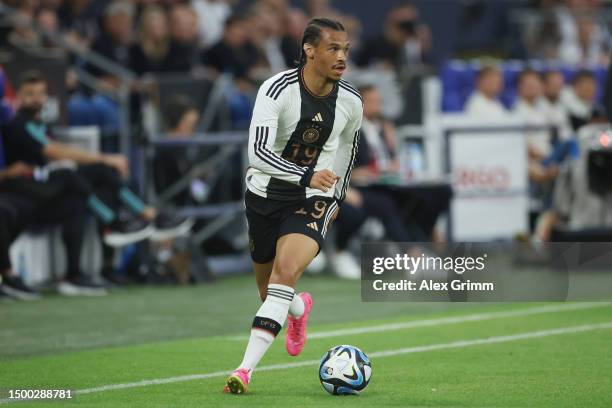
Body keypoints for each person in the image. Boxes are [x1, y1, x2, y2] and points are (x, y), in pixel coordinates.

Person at [223, 18, 362, 394]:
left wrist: (337, 197)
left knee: (285, 271)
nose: (341, 57)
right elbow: (258, 153)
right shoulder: (276, 89)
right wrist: (303, 174)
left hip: (314, 198)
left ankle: (244, 370)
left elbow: (348, 152)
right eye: (333, 48)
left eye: (345, 49)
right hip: (265, 196)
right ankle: (299, 309)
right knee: (270, 292)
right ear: (309, 50)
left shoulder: (351, 102)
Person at [1, 71, 193, 279]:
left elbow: (56, 151)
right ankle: (122, 222)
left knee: (94, 183)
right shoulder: (16, 125)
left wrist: (104, 161)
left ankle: (96, 264)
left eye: (40, 94)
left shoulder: (40, 126)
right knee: (72, 174)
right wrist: (103, 157)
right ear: (18, 96)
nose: (36, 99)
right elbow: (55, 152)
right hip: (28, 186)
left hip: (45, 184)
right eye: (30, 94)